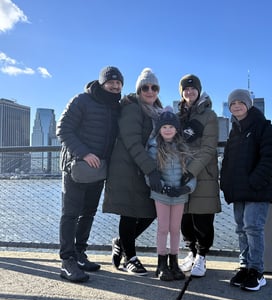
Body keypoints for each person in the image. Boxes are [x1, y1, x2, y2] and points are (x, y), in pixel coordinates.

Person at [56, 66, 124, 282]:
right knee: (70, 214)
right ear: (102, 83)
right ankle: (67, 261)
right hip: (76, 166)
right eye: (110, 82)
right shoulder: (82, 100)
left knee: (88, 213)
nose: (114, 86)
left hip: (99, 169)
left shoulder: (117, 107)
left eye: (118, 83)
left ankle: (79, 254)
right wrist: (84, 153)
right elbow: (63, 128)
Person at [220, 89, 272, 291]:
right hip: (239, 191)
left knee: (253, 228)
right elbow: (228, 162)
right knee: (241, 229)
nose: (236, 106)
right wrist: (226, 184)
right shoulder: (234, 131)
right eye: (232, 103)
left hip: (258, 190)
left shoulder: (264, 127)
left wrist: (255, 181)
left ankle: (257, 271)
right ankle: (245, 266)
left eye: (240, 102)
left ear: (249, 104)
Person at [102, 67, 163, 276]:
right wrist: (151, 170)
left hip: (142, 168)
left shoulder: (156, 110)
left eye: (154, 87)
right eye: (145, 87)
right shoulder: (132, 108)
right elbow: (132, 143)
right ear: (138, 90)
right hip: (127, 169)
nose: (150, 91)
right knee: (129, 213)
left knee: (151, 211)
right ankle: (131, 257)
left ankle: (121, 242)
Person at [177, 74, 221, 277]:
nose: (189, 92)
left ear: (199, 90)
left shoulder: (209, 115)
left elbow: (208, 148)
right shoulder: (178, 115)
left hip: (203, 173)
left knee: (202, 218)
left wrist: (190, 171)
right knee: (184, 217)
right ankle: (191, 253)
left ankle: (202, 257)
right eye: (186, 89)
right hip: (180, 172)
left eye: (193, 88)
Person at [146, 106, 196, 281]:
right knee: (163, 228)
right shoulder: (153, 148)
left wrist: (186, 188)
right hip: (161, 194)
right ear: (159, 129)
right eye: (164, 127)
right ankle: (161, 264)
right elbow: (150, 174)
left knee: (175, 229)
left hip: (180, 195)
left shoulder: (183, 148)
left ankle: (174, 262)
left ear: (177, 129)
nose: (168, 130)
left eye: (171, 127)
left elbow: (191, 174)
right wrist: (162, 187)